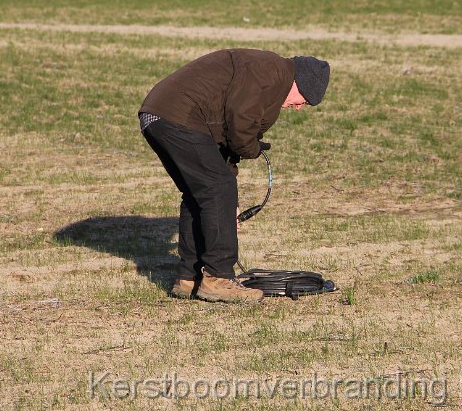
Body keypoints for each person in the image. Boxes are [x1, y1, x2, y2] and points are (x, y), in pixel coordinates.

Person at [139, 49, 330, 303]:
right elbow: (240, 123)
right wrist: (252, 148)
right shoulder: (271, 73)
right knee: (216, 188)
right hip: (179, 116)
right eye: (304, 99)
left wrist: (229, 203)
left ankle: (189, 278)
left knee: (200, 192)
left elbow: (224, 141)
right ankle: (218, 277)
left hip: (158, 115)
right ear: (299, 83)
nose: (298, 107)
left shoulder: (268, 72)